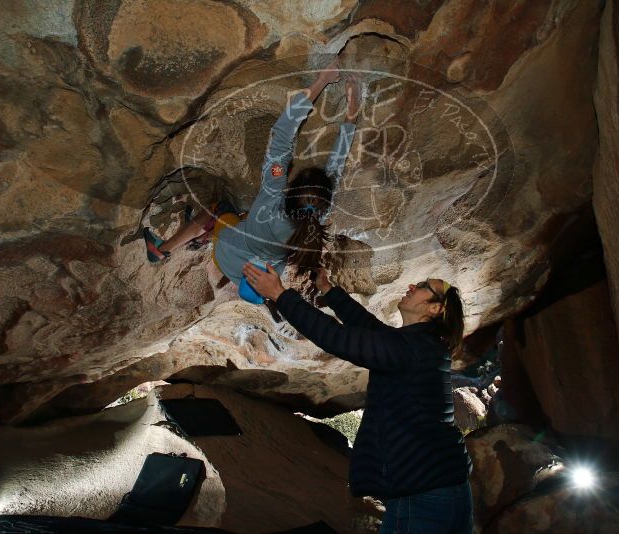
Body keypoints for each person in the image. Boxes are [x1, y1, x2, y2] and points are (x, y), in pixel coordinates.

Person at [242, 264, 474, 533]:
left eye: (424, 287)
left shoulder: (412, 349)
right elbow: (370, 328)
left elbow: (338, 338)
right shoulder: (422, 346)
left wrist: (280, 294)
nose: (412, 286)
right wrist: (329, 291)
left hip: (423, 493)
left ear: (436, 309)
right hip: (445, 484)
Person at [144, 58, 360, 304]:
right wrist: (352, 118)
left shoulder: (273, 192)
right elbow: (334, 173)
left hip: (227, 253)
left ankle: (163, 250)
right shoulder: (314, 221)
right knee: (246, 217)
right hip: (251, 277)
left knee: (220, 208)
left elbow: (282, 136)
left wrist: (323, 81)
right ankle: (201, 238)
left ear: (291, 190)